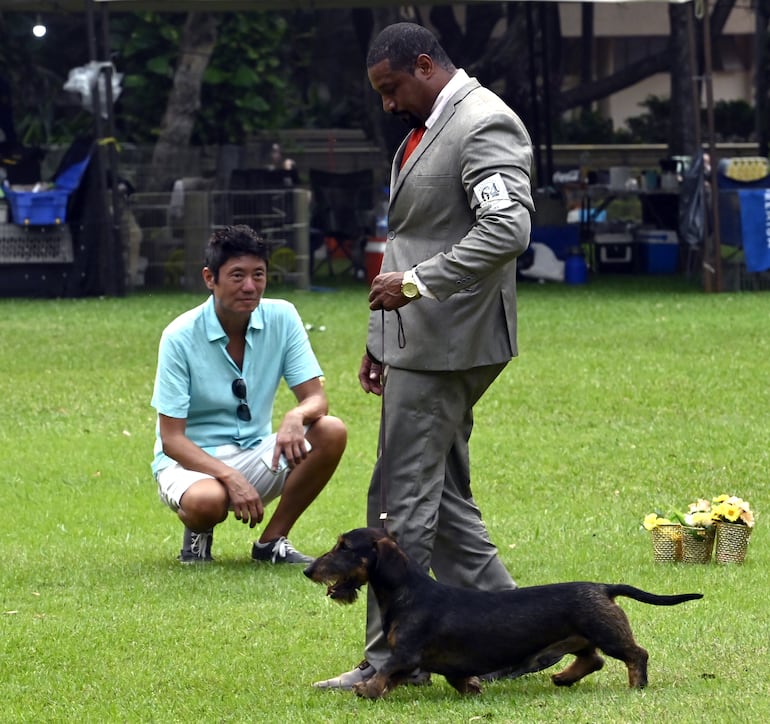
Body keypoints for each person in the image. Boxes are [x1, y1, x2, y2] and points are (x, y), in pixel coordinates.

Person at [314, 22, 542, 690]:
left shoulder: (483, 124)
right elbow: (419, 234)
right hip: (421, 338)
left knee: (398, 503)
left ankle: (391, 662)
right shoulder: (432, 124)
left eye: (391, 88)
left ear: (423, 65)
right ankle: (523, 637)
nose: (387, 104)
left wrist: (414, 286)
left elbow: (508, 228)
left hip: (448, 340)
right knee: (444, 504)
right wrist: (381, 338)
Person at [151, 224, 347, 564]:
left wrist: (295, 415)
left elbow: (316, 398)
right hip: (189, 462)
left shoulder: (282, 316)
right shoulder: (179, 336)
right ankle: (197, 533)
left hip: (254, 453)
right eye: (237, 276)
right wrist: (229, 477)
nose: (250, 286)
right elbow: (172, 440)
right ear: (209, 278)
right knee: (207, 502)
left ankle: (272, 542)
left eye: (259, 274)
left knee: (331, 429)